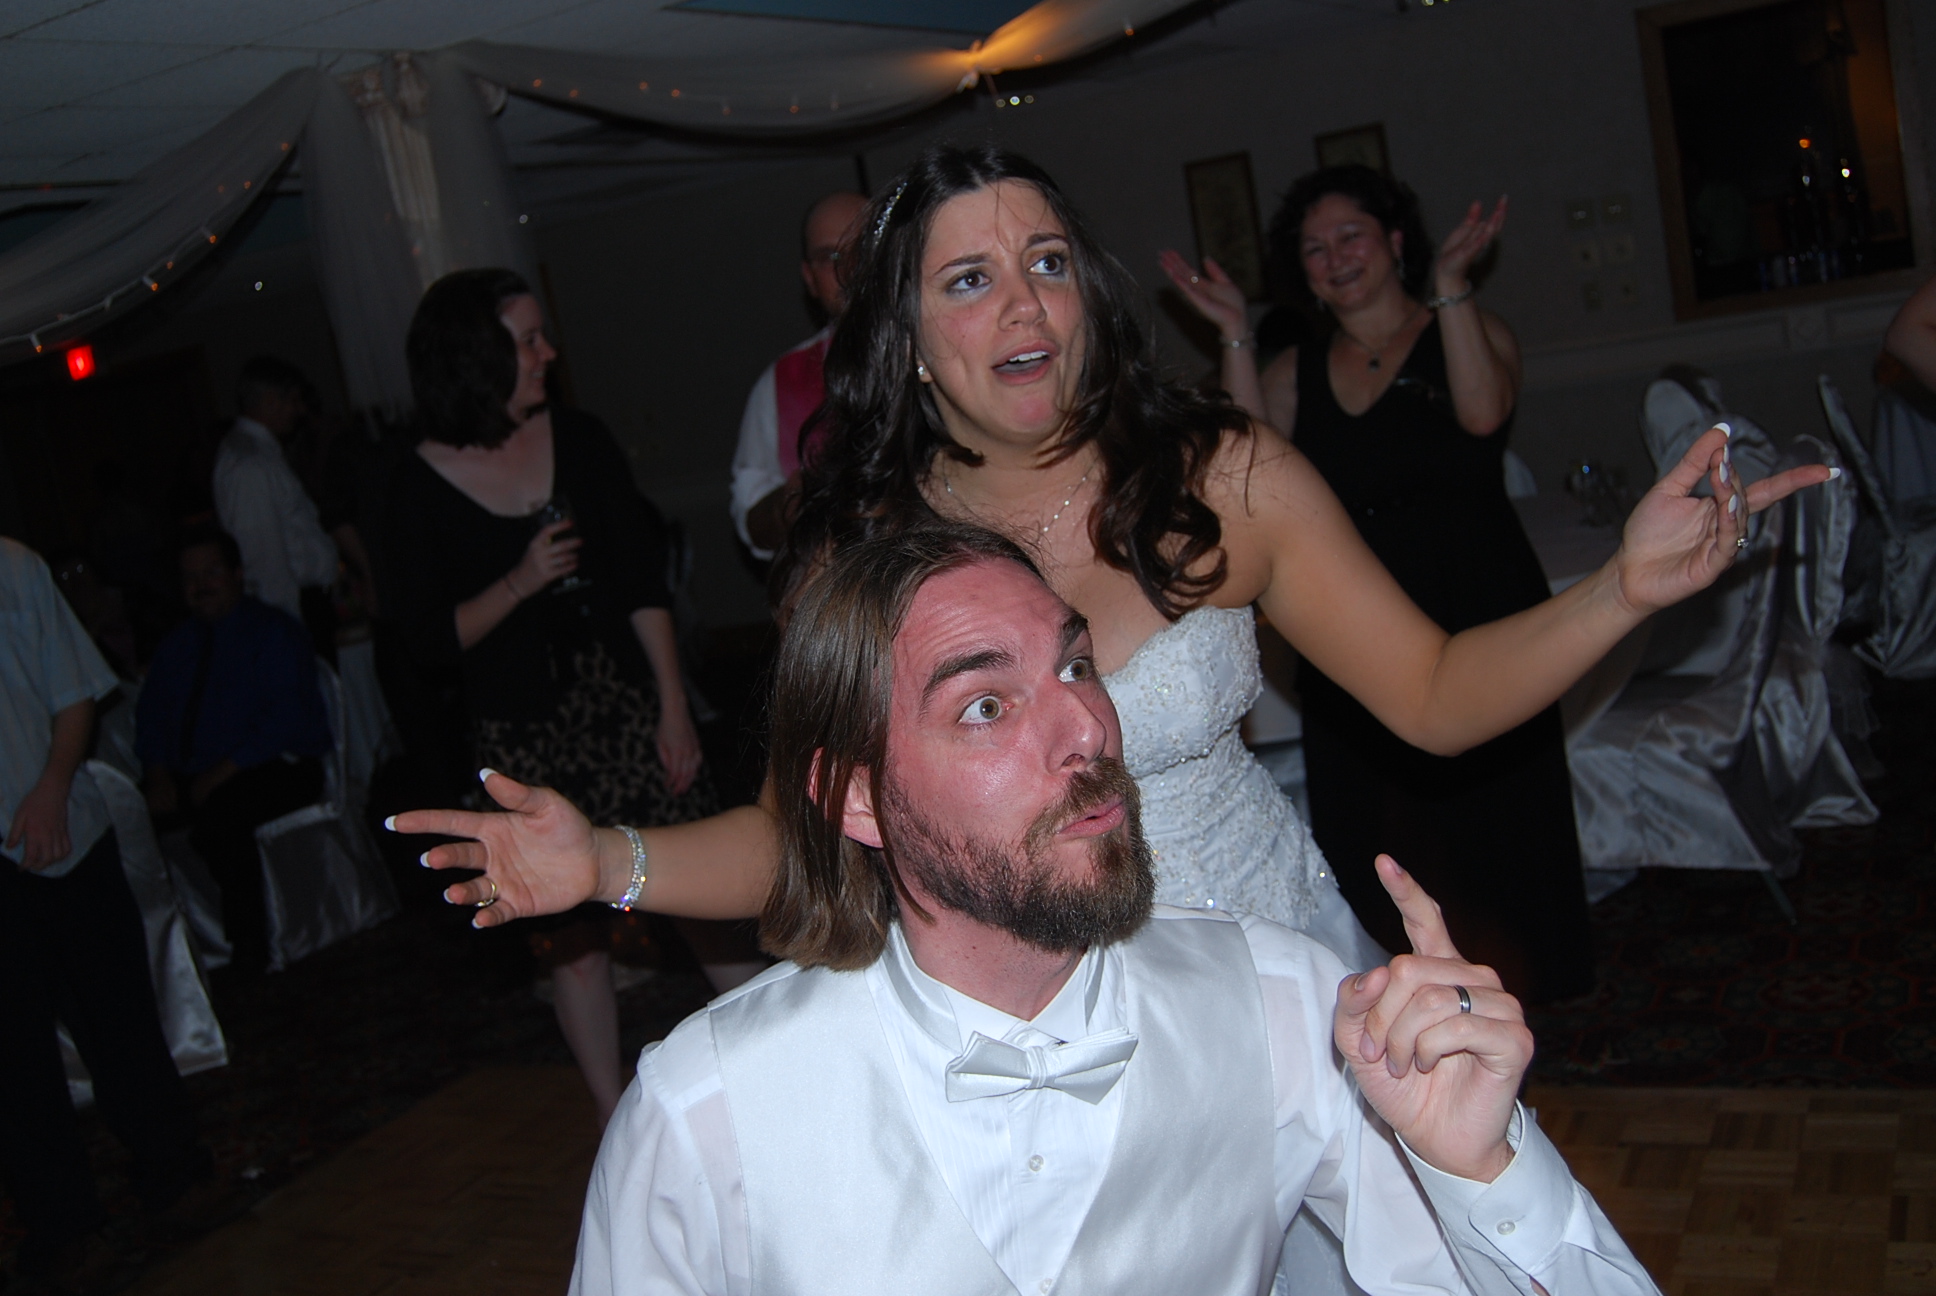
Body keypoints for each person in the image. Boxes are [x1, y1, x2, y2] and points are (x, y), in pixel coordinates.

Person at [397, 146, 1818, 1295]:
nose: (1025, 305)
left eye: (1049, 262)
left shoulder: (1222, 475)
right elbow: (807, 832)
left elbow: (1437, 694)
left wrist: (1624, 589)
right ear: (908, 338)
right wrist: (609, 863)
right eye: (970, 279)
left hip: (1272, 982)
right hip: (1025, 1018)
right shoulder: (863, 556)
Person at [567, 522, 1659, 1295]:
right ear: (856, 798)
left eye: (1077, 665)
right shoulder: (706, 1112)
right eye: (986, 705)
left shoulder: (1284, 1004)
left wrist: (1479, 1170)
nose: (1087, 728)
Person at [1160, 166, 1589, 1003]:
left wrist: (1452, 285)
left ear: (1395, 242)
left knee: (1500, 814)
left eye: (1350, 236)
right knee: (1385, 824)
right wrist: (1236, 336)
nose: (1335, 258)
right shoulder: (1295, 369)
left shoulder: (1470, 328)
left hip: (1479, 599)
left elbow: (1482, 414)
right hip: (1354, 623)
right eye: (1314, 249)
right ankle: (1406, 998)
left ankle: (1526, 991)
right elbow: (1244, 477)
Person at [377, 268, 722, 1126]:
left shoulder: (580, 436)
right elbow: (426, 641)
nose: (547, 353)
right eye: (527, 340)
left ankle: (785, 1070)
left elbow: (641, 582)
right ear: (474, 356)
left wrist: (673, 706)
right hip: (525, 737)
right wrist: (521, 581)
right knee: (571, 943)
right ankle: (614, 1120)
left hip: (627, 709)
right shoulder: (410, 482)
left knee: (702, 897)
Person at [0, 538, 206, 1286]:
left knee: (116, 1018)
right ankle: (62, 1223)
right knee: (14, 1060)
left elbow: (76, 693)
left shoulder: (13, 568)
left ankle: (174, 1172)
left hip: (63, 832)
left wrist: (52, 788)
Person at [137, 526, 333, 971]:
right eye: (191, 578)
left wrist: (219, 773)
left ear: (237, 574)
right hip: (198, 772)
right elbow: (151, 719)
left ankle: (250, 948)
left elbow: (283, 719)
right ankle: (165, 962)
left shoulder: (272, 632)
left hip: (276, 764)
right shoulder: (176, 648)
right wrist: (158, 774)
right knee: (125, 818)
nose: (201, 586)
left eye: (211, 573)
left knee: (224, 816)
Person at [729, 190, 870, 559]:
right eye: (830, 257)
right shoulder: (781, 382)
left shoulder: (953, 350)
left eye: (862, 248)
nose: (848, 269)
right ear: (809, 278)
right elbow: (752, 519)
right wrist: (792, 505)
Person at [212, 355, 341, 635]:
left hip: (303, 604)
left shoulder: (258, 454)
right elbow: (262, 563)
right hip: (294, 610)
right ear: (271, 401)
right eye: (293, 400)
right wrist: (286, 630)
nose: (300, 410)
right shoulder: (250, 465)